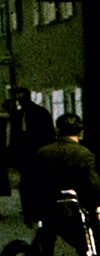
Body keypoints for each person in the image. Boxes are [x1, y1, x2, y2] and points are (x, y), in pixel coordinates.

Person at [28, 113, 100, 256]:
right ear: (80, 131)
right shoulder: (84, 154)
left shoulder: (42, 153)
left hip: (47, 210)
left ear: (57, 130)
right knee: (87, 245)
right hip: (74, 213)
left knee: (46, 243)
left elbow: (29, 184)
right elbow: (93, 187)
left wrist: (30, 211)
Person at [9, 87, 56, 221]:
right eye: (19, 99)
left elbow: (49, 133)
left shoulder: (41, 113)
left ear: (28, 98)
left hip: (39, 152)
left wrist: (48, 151)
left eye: (23, 99)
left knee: (39, 181)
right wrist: (13, 154)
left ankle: (39, 209)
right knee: (24, 183)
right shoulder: (17, 115)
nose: (21, 102)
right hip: (23, 155)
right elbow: (14, 136)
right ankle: (27, 210)